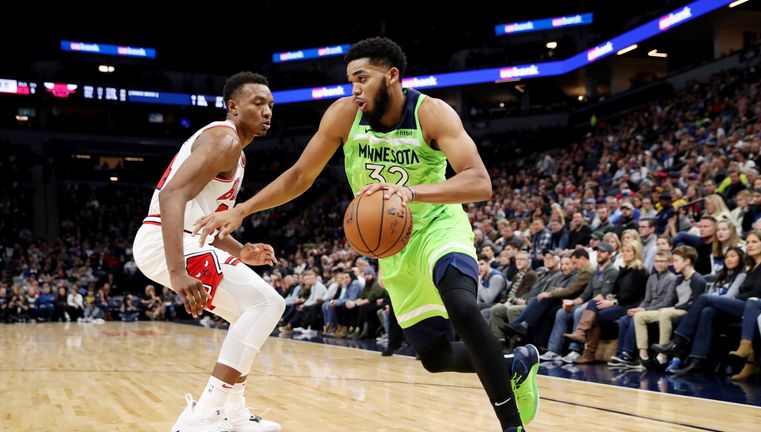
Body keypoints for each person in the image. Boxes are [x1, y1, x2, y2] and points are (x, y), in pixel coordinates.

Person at [193, 37, 539, 432]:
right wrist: (242, 208)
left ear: (391, 76)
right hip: (393, 247)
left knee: (462, 307)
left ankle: (512, 425)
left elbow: (480, 183)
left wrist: (412, 192)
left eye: (362, 78)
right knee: (435, 357)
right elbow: (300, 176)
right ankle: (513, 363)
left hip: (438, 227)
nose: (354, 89)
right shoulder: (343, 116)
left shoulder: (432, 113)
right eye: (349, 80)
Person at [132, 72, 283, 432]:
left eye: (271, 106)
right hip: (165, 240)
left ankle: (233, 413)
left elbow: (201, 222)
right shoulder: (223, 140)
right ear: (233, 106)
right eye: (258, 103)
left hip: (183, 239)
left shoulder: (237, 154)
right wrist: (178, 270)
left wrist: (241, 250)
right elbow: (171, 197)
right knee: (266, 304)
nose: (267, 112)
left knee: (249, 315)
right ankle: (204, 414)